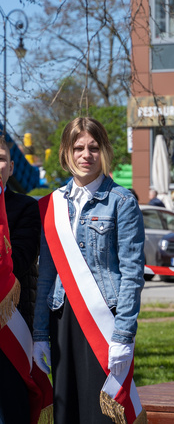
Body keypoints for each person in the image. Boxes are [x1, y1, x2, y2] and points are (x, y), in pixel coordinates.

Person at [33, 117, 147, 424]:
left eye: (94, 147)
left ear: (105, 151)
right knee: (66, 411)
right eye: (78, 147)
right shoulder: (52, 205)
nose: (86, 155)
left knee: (101, 414)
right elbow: (46, 275)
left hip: (103, 322)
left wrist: (123, 335)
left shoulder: (121, 201)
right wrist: (39, 334)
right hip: (61, 319)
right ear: (66, 153)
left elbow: (133, 274)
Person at [0, 136, 47, 423]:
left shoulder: (25, 208)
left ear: (12, 167)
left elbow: (17, 262)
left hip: (11, 331)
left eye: (1, 158)